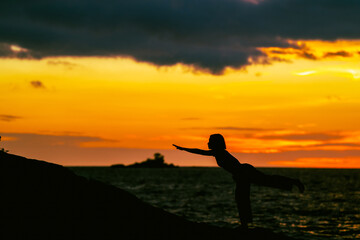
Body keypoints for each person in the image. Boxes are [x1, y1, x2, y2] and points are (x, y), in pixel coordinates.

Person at [173, 133, 304, 229]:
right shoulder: (218, 152)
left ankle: (294, 182)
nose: (207, 143)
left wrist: (184, 149)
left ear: (215, 143)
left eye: (209, 141)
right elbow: (202, 152)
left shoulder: (219, 152)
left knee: (259, 186)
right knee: (243, 197)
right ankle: (245, 224)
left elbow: (200, 152)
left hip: (244, 173)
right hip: (242, 175)